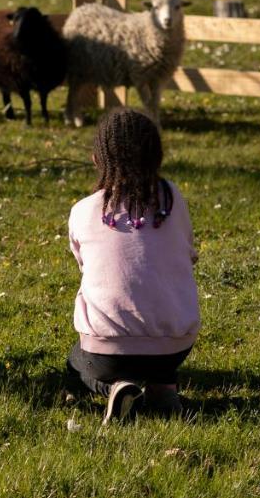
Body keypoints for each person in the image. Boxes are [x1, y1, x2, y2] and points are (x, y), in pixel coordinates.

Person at [64, 108, 199, 423]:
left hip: (107, 348)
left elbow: (86, 266)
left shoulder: (84, 210)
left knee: (76, 361)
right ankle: (163, 388)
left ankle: (115, 387)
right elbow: (189, 252)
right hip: (175, 345)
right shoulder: (172, 199)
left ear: (98, 160)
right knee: (156, 346)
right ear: (158, 157)